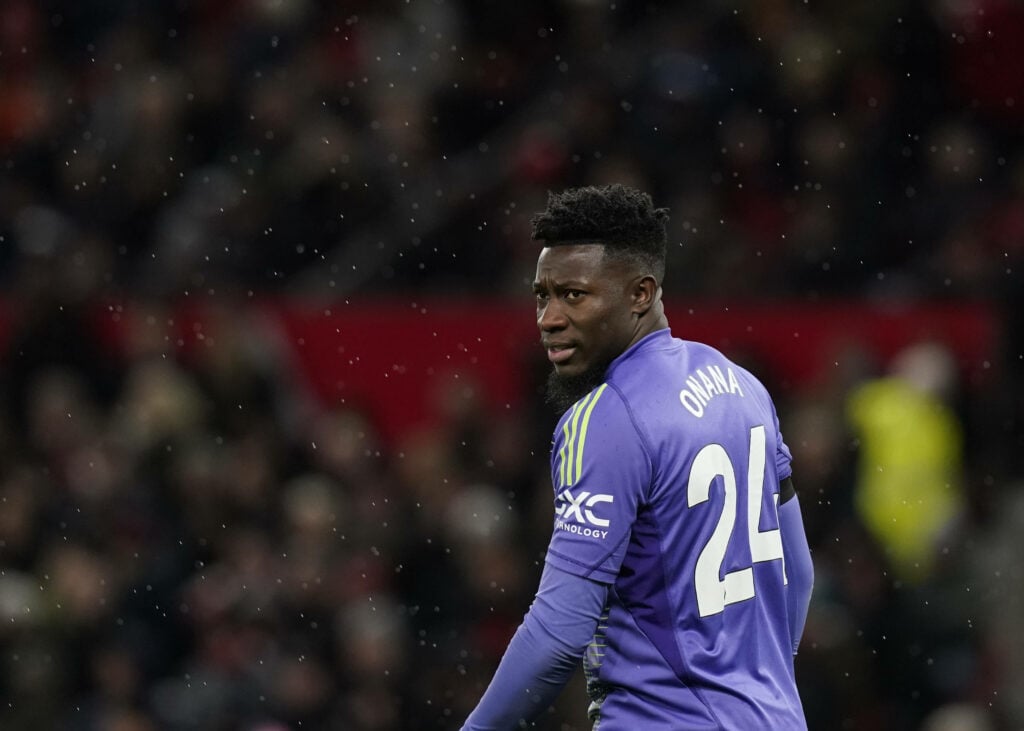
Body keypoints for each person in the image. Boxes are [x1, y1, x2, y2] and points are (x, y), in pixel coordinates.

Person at [461, 184, 813, 729]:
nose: (548, 318)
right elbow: (800, 571)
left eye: (573, 295)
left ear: (641, 293)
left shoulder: (605, 418)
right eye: (541, 295)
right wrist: (750, 689)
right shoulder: (744, 389)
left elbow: (558, 632)